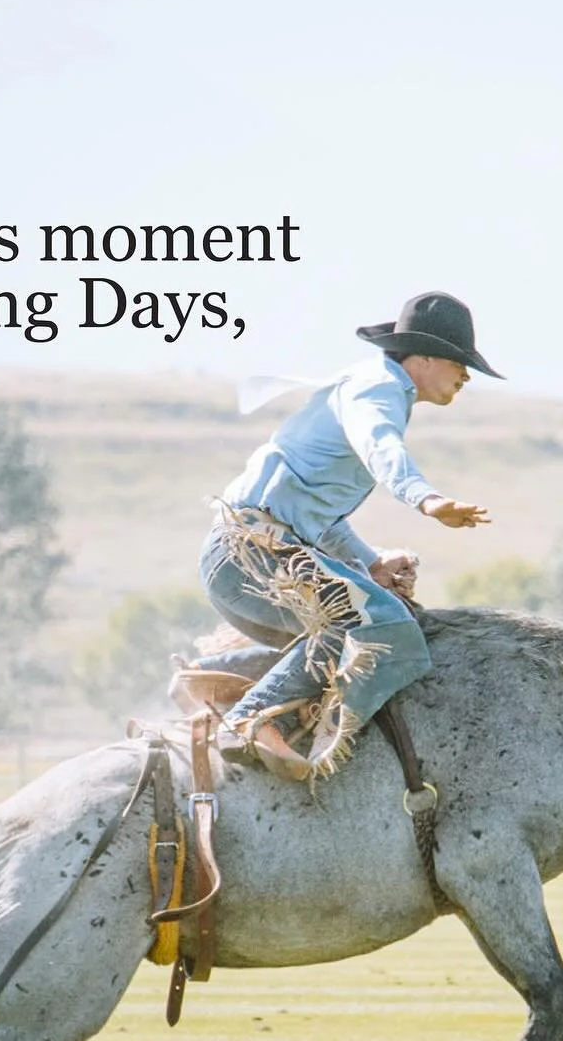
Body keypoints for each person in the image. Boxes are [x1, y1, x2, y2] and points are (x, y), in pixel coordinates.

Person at [196, 290, 499, 781]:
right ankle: (248, 718)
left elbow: (319, 516)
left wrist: (370, 562)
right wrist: (427, 499)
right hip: (252, 555)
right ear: (422, 358)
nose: (466, 375)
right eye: (459, 362)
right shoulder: (378, 390)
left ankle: (212, 677)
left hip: (242, 558)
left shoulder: (366, 388)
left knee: (351, 628)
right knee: (378, 626)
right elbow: (382, 447)